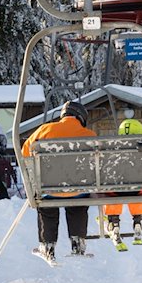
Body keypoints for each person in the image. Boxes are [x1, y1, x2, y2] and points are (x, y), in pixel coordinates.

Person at [22, 100, 97, 261]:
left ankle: (47, 246)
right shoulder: (89, 135)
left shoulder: (44, 130)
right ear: (81, 117)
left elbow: (25, 152)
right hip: (78, 191)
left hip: (49, 189)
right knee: (78, 206)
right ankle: (78, 244)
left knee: (47, 210)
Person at [102, 118, 142, 249]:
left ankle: (113, 222)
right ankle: (138, 220)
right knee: (140, 190)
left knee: (111, 192)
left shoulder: (113, 150)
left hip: (116, 190)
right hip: (138, 189)